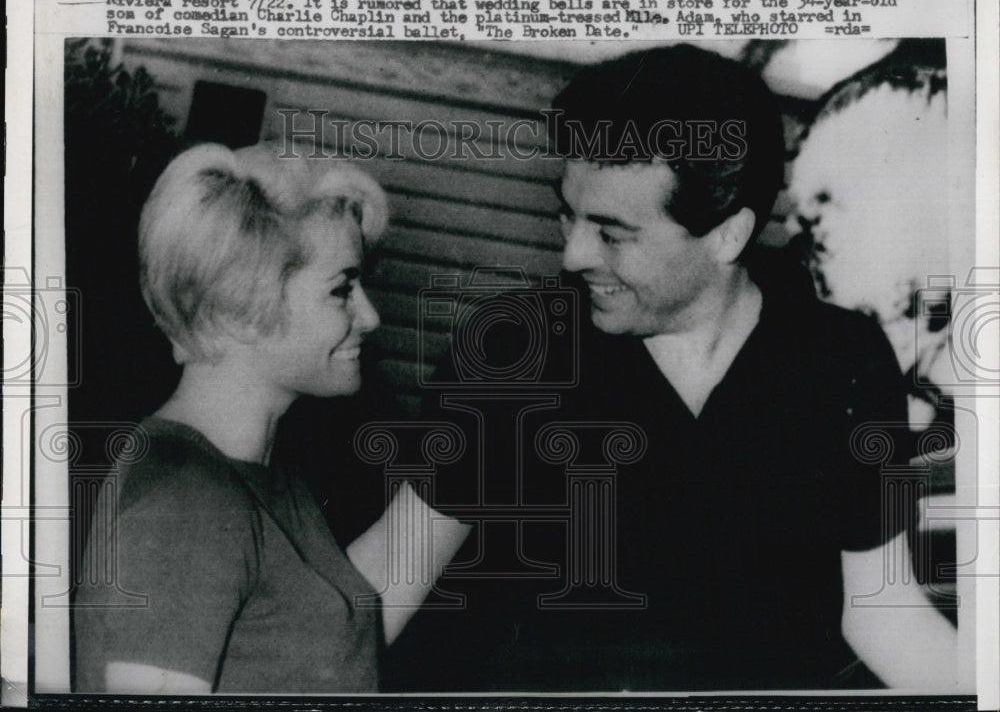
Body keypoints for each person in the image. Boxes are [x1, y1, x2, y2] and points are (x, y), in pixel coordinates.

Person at [385, 45, 958, 691]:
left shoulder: (841, 359)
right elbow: (387, 585)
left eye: (612, 233)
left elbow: (883, 613)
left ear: (727, 235)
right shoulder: (515, 349)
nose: (573, 255)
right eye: (567, 215)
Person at [73, 143, 466, 694]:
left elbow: (331, 640)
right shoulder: (185, 505)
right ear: (240, 308)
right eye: (341, 290)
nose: (370, 316)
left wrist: (473, 453)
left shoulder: (259, 480)